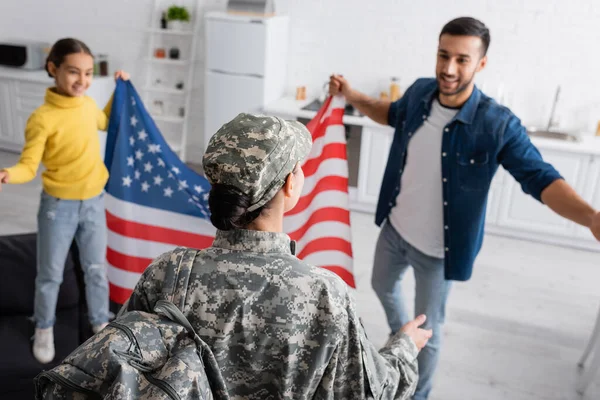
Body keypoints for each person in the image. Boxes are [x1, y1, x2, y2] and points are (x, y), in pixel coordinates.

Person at [329, 16, 600, 400]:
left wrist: (590, 216)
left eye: (461, 59)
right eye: (443, 56)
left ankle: (417, 393)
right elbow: (387, 112)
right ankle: (404, 341)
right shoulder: (420, 93)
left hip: (439, 252)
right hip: (394, 229)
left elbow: (540, 177)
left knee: (432, 332)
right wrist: (351, 94)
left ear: (481, 64)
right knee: (380, 285)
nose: (448, 69)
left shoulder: (496, 124)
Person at [120, 112, 431, 398]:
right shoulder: (324, 293)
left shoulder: (166, 272)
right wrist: (404, 348)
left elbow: (120, 362)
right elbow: (367, 391)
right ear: (290, 184)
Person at [0, 38, 130, 364]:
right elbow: (28, 166)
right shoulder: (42, 118)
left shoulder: (87, 106)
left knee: (96, 269)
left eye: (87, 73)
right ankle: (43, 326)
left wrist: (120, 92)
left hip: (93, 203)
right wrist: (8, 173)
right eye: (74, 72)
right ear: (53, 69)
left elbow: (105, 120)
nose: (82, 81)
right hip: (58, 207)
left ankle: (100, 321)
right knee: (50, 275)